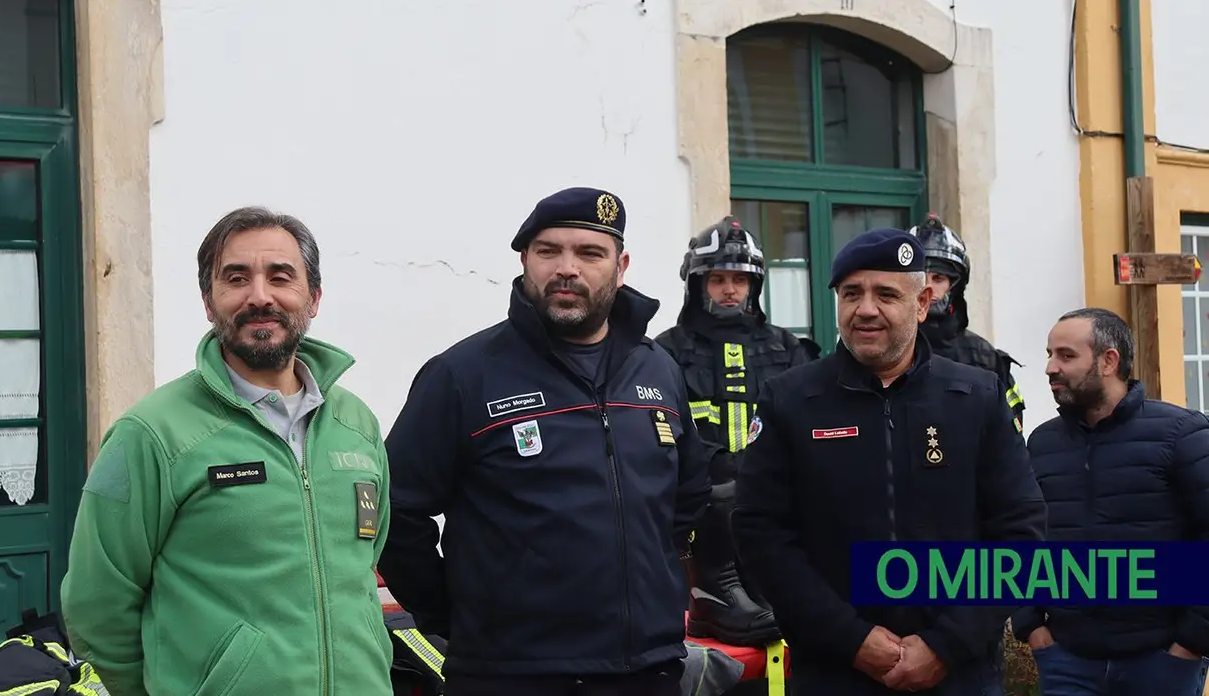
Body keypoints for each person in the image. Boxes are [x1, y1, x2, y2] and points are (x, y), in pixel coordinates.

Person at [378, 186, 713, 696]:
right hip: (511, 675)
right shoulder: (463, 375)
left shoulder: (658, 370)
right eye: (549, 251)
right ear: (524, 260)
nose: (567, 268)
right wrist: (460, 612)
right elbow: (395, 512)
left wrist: (654, 592)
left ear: (621, 267)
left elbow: (686, 499)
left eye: (589, 253)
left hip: (649, 668)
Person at [60, 206, 394, 696]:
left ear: (314, 297)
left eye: (281, 277)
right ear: (209, 301)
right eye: (236, 278)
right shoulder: (150, 432)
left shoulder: (356, 424)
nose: (260, 296)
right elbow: (98, 603)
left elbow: (367, 556)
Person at [731, 227, 1047, 695]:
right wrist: (852, 639)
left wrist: (946, 644)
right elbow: (761, 535)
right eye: (851, 293)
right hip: (835, 673)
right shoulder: (791, 400)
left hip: (960, 675)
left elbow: (1020, 533)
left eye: (886, 294)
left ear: (921, 304)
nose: (866, 309)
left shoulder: (976, 397)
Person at [1011, 307, 1209, 696]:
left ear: (1108, 361)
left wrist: (1190, 643)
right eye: (1049, 354)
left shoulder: (1182, 434)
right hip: (1066, 661)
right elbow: (1021, 536)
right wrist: (1031, 625)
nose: (1050, 367)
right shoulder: (1042, 443)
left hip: (1161, 662)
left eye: (1066, 356)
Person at [653, 215, 820, 647]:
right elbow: (657, 428)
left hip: (774, 505)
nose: (730, 289)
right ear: (697, 284)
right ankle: (716, 598)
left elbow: (806, 424)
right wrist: (716, 467)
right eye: (718, 279)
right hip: (697, 515)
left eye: (740, 280)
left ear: (754, 286)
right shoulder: (663, 351)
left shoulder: (787, 347)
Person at [908, 213, 1026, 428]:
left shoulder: (985, 357)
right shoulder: (885, 350)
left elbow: (1011, 433)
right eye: (919, 278)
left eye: (938, 278)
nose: (927, 287)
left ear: (956, 286)